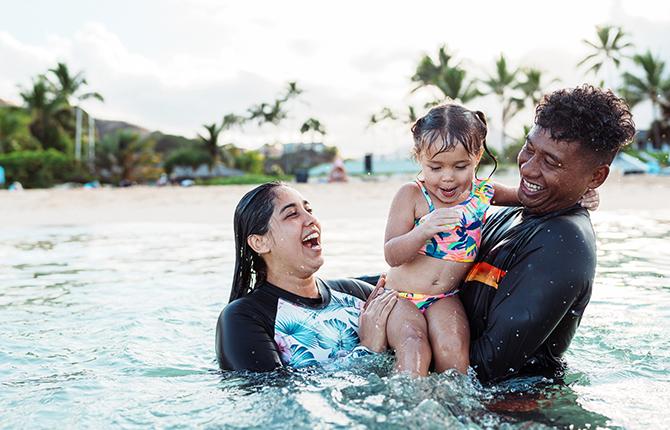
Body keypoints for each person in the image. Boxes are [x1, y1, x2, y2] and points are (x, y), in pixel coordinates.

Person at [382, 103, 599, 377]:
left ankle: (452, 408)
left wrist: (581, 194)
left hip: (444, 298)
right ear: (419, 159)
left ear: (477, 157)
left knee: (454, 350)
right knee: (414, 346)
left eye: (460, 166)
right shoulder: (412, 195)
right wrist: (423, 231)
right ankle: (408, 409)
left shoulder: (482, 192)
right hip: (402, 296)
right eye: (435, 167)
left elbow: (528, 195)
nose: (447, 178)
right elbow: (392, 254)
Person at [459, 85, 635, 383]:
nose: (528, 168)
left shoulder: (563, 244)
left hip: (508, 413)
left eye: (551, 162)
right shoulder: (520, 213)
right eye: (529, 148)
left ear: (596, 177)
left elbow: (487, 368)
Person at [216, 182, 397, 371]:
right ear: (260, 242)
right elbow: (272, 394)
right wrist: (368, 348)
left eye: (309, 210)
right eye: (292, 214)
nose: (311, 219)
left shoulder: (356, 293)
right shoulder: (243, 318)